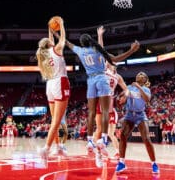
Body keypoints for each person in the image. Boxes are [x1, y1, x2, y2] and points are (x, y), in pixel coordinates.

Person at [52, 29, 139, 167]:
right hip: (101, 91)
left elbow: (69, 43)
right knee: (101, 127)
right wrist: (130, 50)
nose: (110, 63)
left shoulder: (117, 76)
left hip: (104, 97)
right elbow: (105, 51)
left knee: (104, 125)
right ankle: (98, 147)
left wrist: (57, 34)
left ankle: (97, 144)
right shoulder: (103, 64)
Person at [36, 16, 70, 164]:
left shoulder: (44, 55)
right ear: (50, 44)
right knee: (56, 121)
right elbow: (62, 39)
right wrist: (61, 24)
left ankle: (58, 146)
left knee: (54, 120)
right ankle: (46, 149)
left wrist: (50, 30)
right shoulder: (56, 49)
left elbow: (53, 41)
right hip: (60, 83)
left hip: (50, 85)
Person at [94, 26, 130, 161]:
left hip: (110, 108)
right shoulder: (103, 70)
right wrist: (100, 36)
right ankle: (98, 152)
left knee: (111, 132)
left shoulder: (118, 77)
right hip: (101, 104)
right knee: (100, 130)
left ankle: (117, 152)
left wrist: (126, 95)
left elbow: (125, 89)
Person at [115, 71, 159, 174]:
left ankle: (154, 164)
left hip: (140, 115)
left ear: (145, 79)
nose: (140, 75)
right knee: (123, 136)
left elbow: (147, 99)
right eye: (139, 74)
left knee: (147, 139)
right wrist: (122, 98)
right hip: (129, 114)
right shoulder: (130, 87)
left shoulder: (146, 89)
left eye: (143, 75)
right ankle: (121, 163)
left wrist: (139, 87)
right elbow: (124, 94)